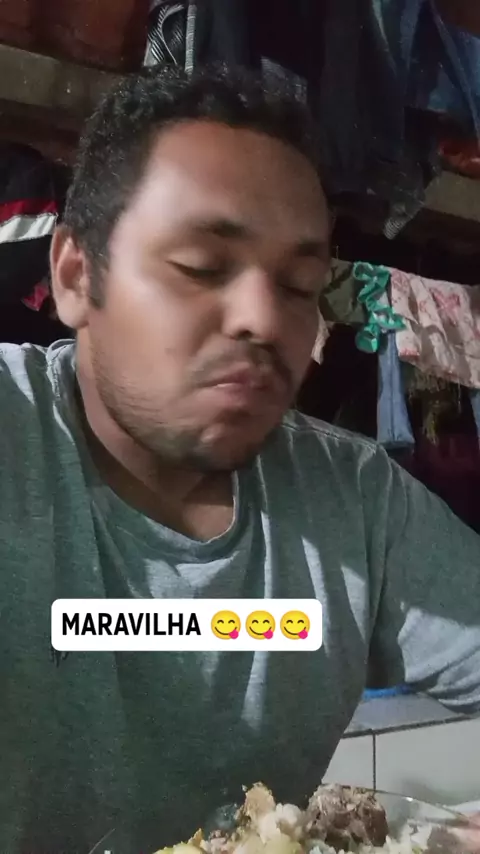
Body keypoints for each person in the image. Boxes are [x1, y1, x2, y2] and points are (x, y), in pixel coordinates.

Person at [1, 65, 480, 854]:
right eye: (201, 266)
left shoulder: (354, 498)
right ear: (76, 276)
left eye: (298, 284)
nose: (264, 318)